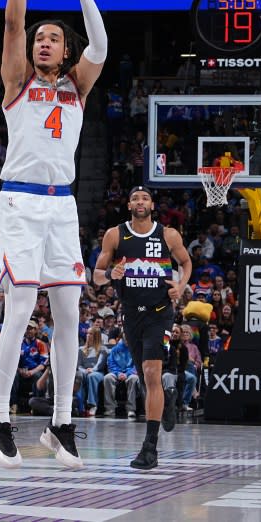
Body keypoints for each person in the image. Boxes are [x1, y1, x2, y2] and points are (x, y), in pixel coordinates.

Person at [0, 0, 107, 471]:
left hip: (62, 206)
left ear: (65, 50)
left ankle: (61, 424)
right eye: (41, 38)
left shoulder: (77, 85)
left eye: (53, 38)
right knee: (19, 308)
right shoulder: (17, 80)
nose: (42, 41)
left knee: (69, 313)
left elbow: (101, 45)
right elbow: (13, 21)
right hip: (19, 202)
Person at [92, 186, 191, 470]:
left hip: (160, 313)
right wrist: (111, 273)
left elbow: (186, 263)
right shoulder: (115, 234)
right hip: (131, 316)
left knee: (150, 372)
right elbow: (97, 276)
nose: (139, 201)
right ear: (129, 205)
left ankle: (150, 449)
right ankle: (168, 398)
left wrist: (181, 286)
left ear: (152, 205)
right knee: (149, 380)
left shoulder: (168, 234)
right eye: (135, 198)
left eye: (144, 198)